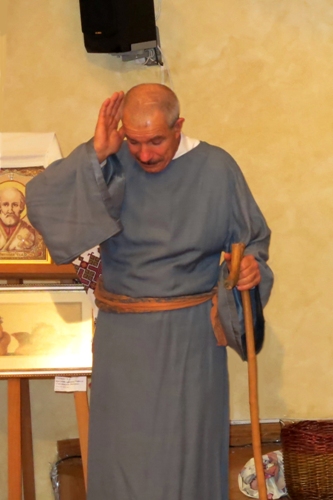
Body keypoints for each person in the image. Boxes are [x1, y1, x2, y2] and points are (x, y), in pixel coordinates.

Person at [25, 83, 274, 500]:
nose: (144, 154)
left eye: (156, 140)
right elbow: (43, 202)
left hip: (191, 339)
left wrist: (247, 267)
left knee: (185, 453)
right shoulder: (111, 163)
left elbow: (251, 243)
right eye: (134, 141)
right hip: (124, 339)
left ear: (179, 127)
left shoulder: (217, 168)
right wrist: (96, 152)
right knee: (125, 454)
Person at [0, 186, 43, 255]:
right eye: (5, 204)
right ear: (0, 207)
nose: (10, 210)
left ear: (21, 207)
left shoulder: (29, 232)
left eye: (15, 205)